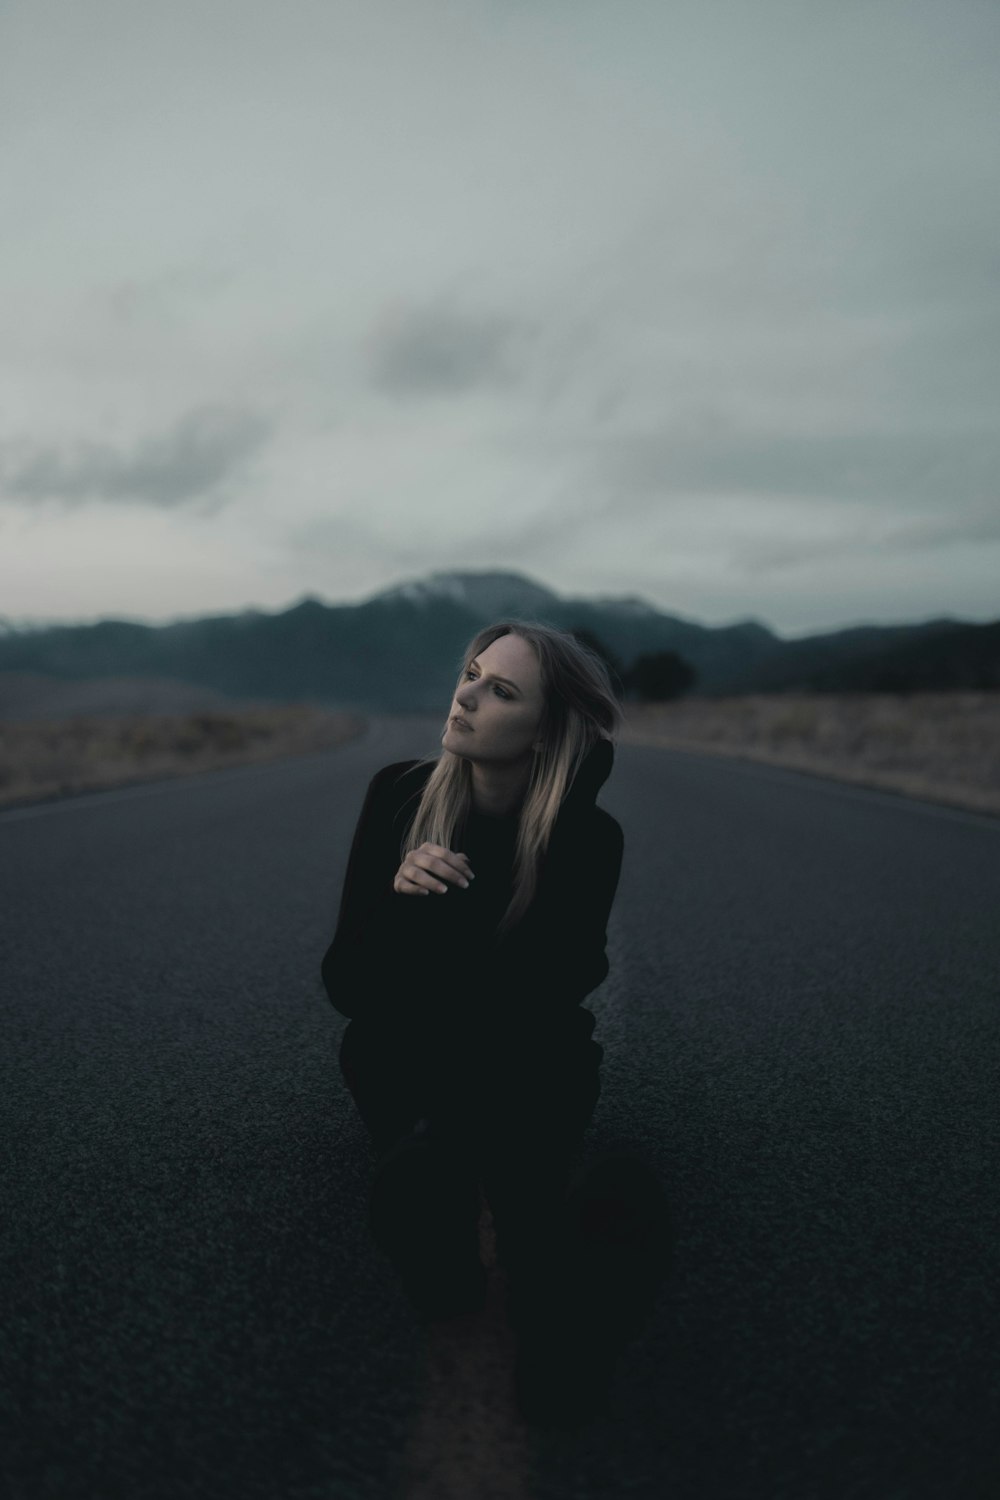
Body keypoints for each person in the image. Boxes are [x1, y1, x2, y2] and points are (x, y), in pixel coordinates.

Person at [321, 619, 645, 1414]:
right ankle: (448, 1255)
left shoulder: (590, 837)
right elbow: (347, 984)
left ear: (544, 732)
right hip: (409, 1047)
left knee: (539, 1110)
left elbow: (555, 990)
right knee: (385, 1053)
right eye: (471, 673)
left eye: (500, 691)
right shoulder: (398, 795)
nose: (465, 695)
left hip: (527, 1057)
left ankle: (558, 1316)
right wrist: (403, 902)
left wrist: (454, 921)